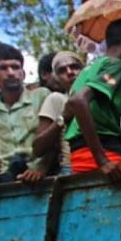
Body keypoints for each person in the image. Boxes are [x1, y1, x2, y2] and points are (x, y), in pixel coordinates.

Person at [64, 18, 121, 179]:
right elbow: (78, 101)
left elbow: (70, 108)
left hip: (79, 152)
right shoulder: (116, 65)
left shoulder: (89, 69)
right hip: (102, 149)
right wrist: (102, 160)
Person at [0, 43, 50, 186]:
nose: (10, 73)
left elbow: (55, 140)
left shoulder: (41, 96)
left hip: (41, 174)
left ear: (23, 73)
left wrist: (41, 168)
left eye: (15, 67)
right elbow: (1, 149)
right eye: (2, 68)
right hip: (8, 178)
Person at [31, 51, 84, 179]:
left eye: (75, 67)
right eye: (62, 70)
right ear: (57, 78)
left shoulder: (100, 96)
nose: (70, 72)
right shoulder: (57, 99)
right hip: (71, 168)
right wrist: (63, 118)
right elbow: (38, 148)